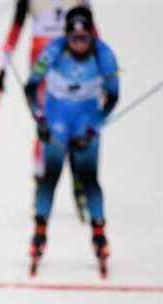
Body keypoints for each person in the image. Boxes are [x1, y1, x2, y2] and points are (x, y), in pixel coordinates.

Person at [22, 6, 119, 277]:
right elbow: (31, 87)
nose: (79, 44)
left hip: (85, 122)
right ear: (66, 36)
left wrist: (93, 129)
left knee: (89, 178)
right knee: (49, 177)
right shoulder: (53, 50)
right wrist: (40, 120)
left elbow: (112, 98)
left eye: (84, 38)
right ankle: (39, 232)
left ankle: (99, 233)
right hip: (56, 122)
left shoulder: (105, 55)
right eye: (74, 39)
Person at [0, 0, 94, 225]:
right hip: (54, 59)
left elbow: (14, 32)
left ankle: (69, 177)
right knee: (52, 120)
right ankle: (50, 179)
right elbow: (16, 26)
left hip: (59, 57)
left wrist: (2, 69)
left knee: (59, 119)